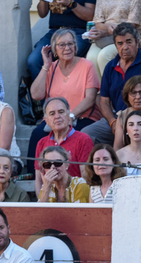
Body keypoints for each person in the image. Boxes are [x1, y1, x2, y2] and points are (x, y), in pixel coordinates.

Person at [84, 23, 141, 145]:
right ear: (115, 45)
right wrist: (112, 122)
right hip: (119, 119)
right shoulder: (110, 67)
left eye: (129, 42)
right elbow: (104, 101)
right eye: (120, 43)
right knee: (86, 135)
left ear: (137, 42)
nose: (125, 47)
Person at [28, 28, 100, 165]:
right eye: (62, 45)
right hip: (56, 118)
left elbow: (90, 98)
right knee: (37, 134)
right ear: (55, 49)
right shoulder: (51, 68)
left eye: (70, 44)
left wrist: (70, 117)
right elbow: (36, 95)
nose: (67, 48)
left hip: (82, 117)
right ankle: (34, 178)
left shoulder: (87, 65)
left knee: (75, 135)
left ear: (75, 46)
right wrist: (45, 66)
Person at [27, 0, 95, 85]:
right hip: (55, 32)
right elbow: (42, 14)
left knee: (67, 57)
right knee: (34, 60)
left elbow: (90, 16)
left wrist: (70, 4)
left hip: (79, 32)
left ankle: (64, 94)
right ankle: (46, 97)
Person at [34, 97, 94, 177]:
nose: (57, 116)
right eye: (52, 113)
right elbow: (39, 179)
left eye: (61, 112)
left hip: (76, 189)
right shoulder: (42, 143)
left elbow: (86, 178)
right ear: (46, 121)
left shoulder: (83, 140)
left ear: (69, 116)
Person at [85, 0, 141, 75]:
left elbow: (132, 25)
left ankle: (113, 85)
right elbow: (98, 23)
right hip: (104, 37)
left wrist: (109, 31)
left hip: (127, 38)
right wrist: (109, 27)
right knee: (91, 57)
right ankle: (100, 86)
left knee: (104, 55)